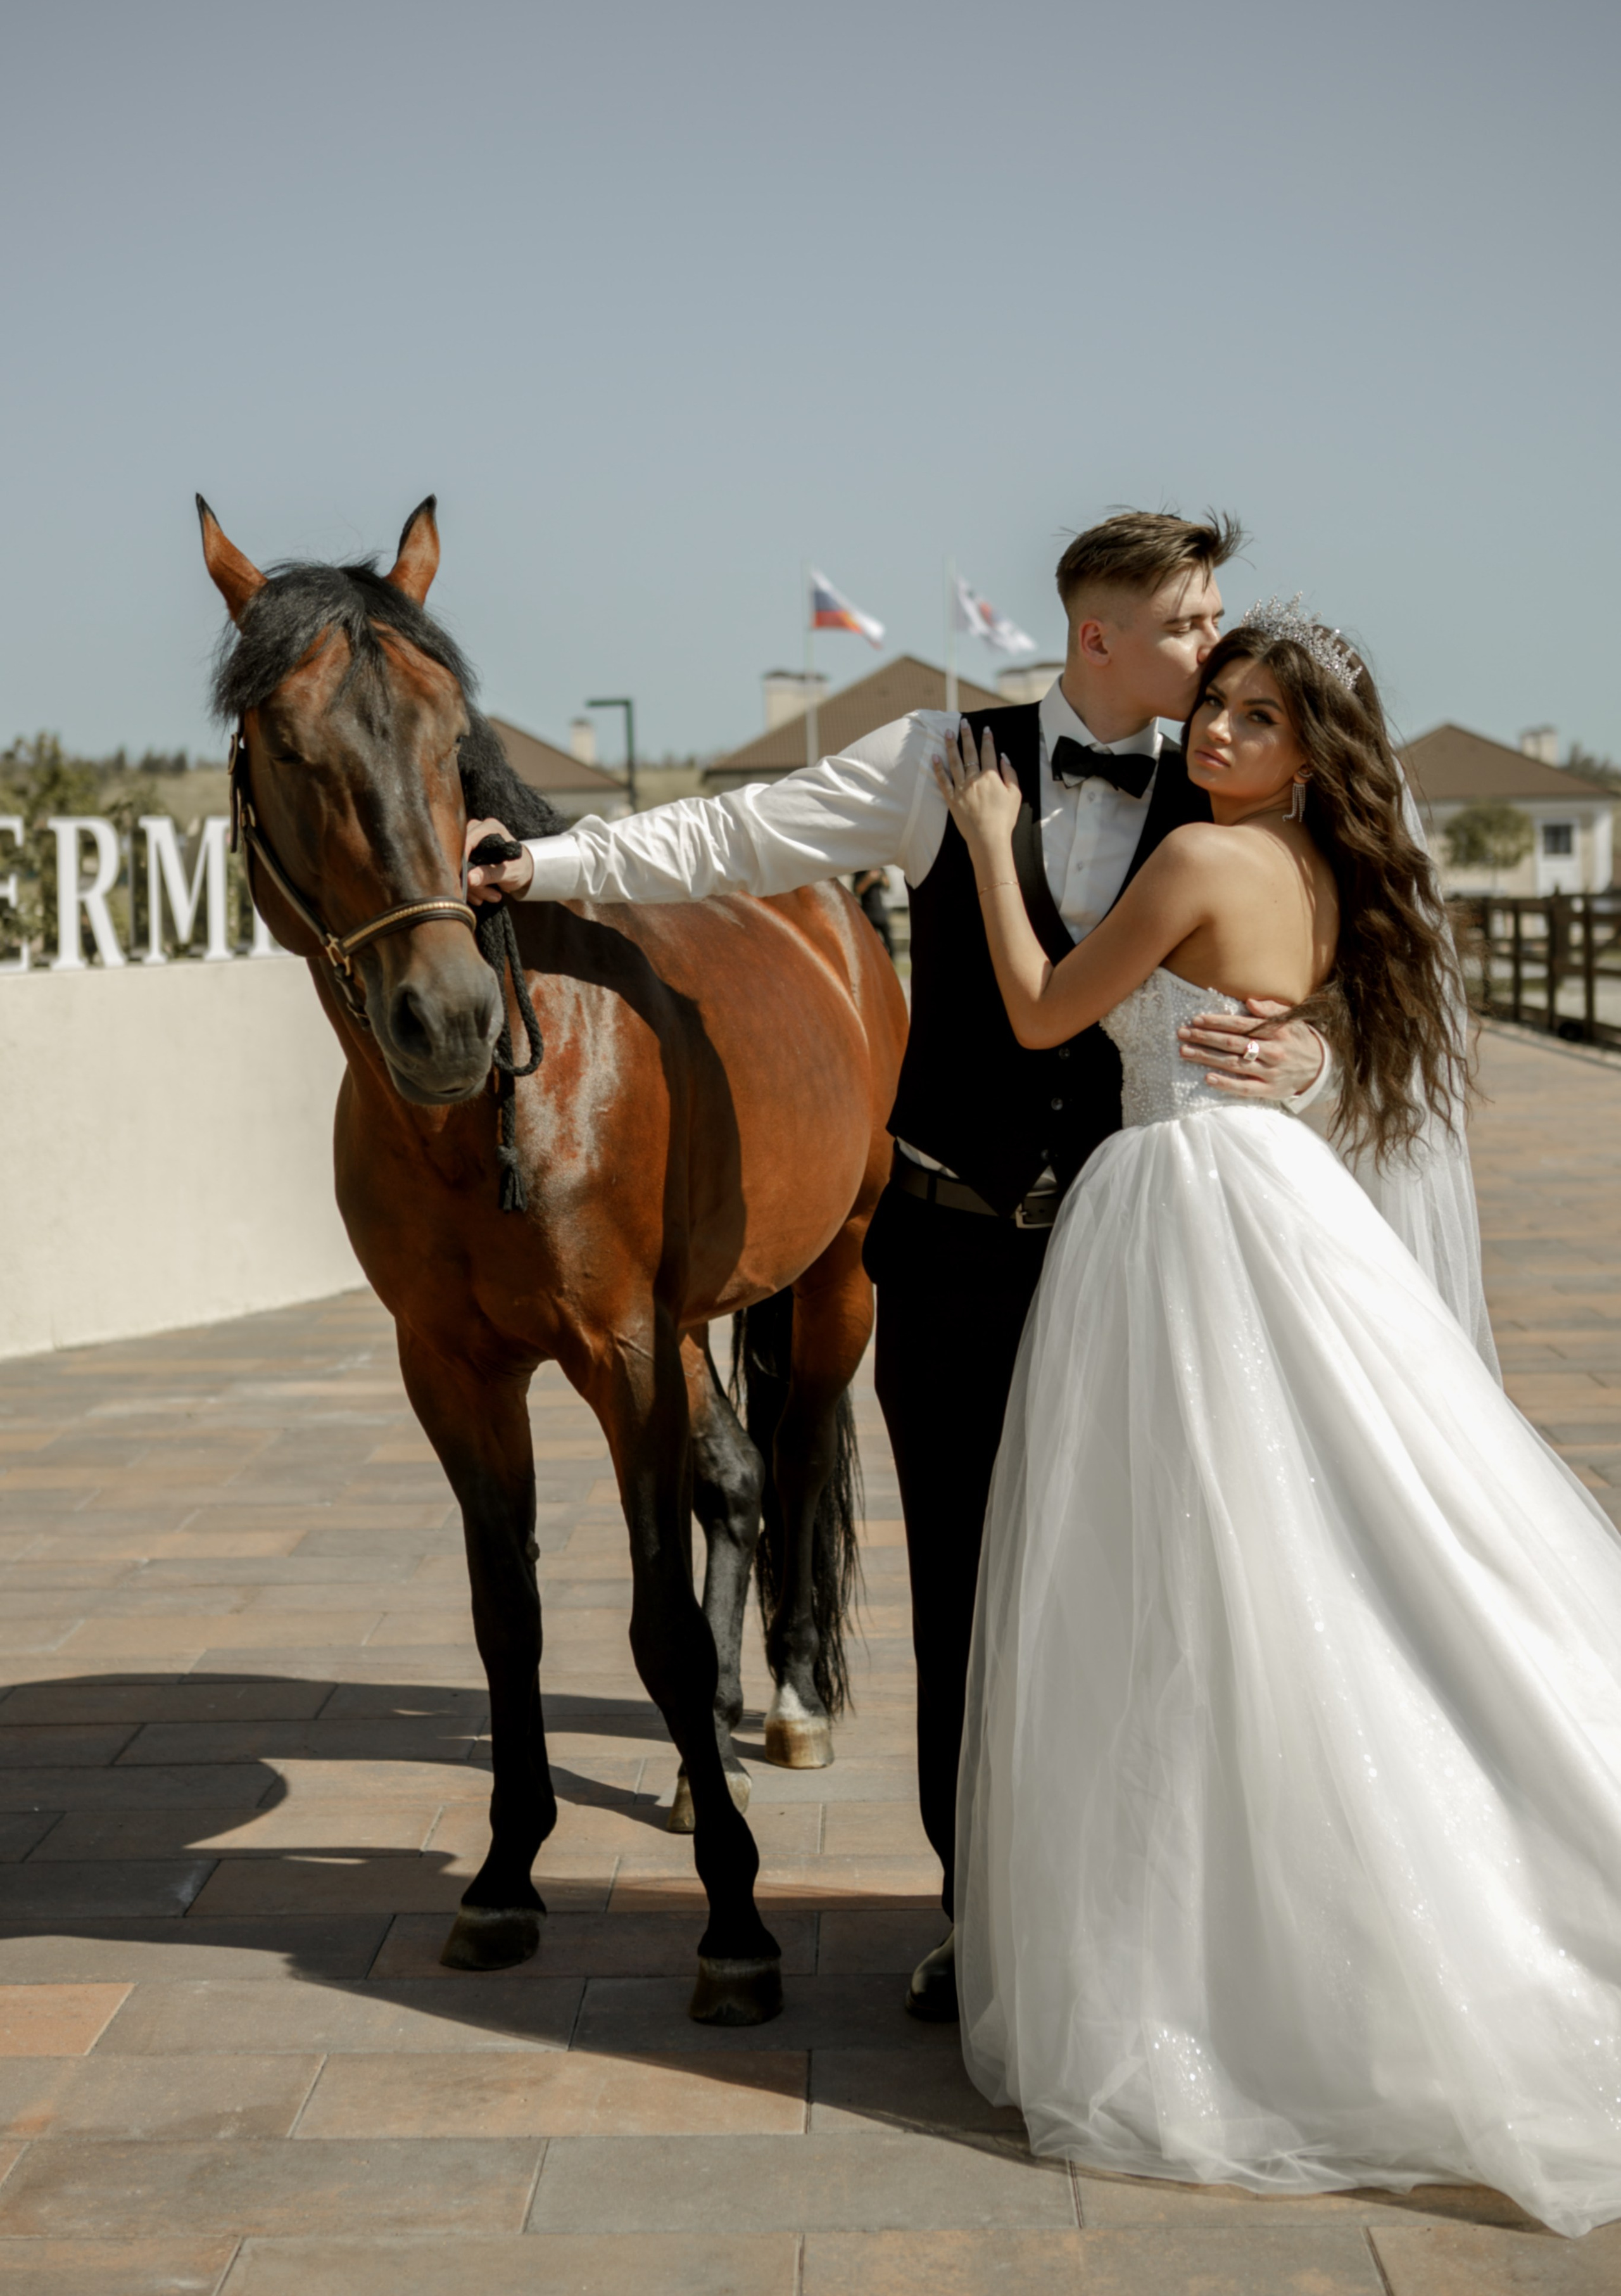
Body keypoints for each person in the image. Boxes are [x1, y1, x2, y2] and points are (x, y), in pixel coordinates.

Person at [464, 513, 1394, 2020]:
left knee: (1146, 1583)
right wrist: (549, 857)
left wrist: (1313, 1041)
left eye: (1215, 620)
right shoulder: (932, 761)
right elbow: (730, 837)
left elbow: (1374, 954)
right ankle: (980, 1913)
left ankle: (1149, 1909)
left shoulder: (1237, 778)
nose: (1212, 648)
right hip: (955, 1252)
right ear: (1097, 635)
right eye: (1184, 623)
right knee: (965, 1593)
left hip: (1148, 1252)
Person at [938, 606, 1621, 2239]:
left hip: (1180, 1213)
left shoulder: (1195, 863)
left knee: (1194, 1574)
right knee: (1319, 1545)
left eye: (1253, 716)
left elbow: (1040, 1010)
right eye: (1215, 707)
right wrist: (1305, 1056)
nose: (1215, 735)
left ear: (1309, 748)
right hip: (1285, 1204)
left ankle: (1214, 1960)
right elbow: (1311, 1037)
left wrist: (985, 840)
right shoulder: (1325, 875)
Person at [852, 867, 895, 958]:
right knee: (868, 944)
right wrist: (869, 879)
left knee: (890, 945)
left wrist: (881, 876)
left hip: (880, 913)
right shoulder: (860, 872)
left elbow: (888, 886)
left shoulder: (880, 869)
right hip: (867, 915)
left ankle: (891, 964)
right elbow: (857, 890)